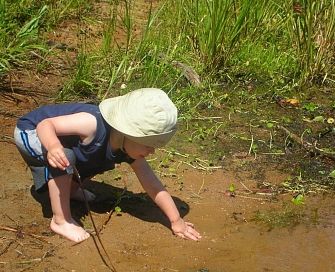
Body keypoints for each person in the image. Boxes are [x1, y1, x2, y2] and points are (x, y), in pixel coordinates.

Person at [14, 88, 202, 243]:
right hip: (31, 132)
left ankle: (69, 190)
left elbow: (153, 185)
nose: (152, 152)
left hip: (62, 141)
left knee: (94, 158)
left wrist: (176, 221)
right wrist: (53, 147)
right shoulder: (92, 124)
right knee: (66, 155)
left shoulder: (126, 147)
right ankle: (61, 220)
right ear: (130, 133)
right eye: (148, 145)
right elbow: (46, 125)